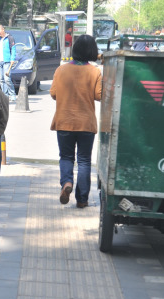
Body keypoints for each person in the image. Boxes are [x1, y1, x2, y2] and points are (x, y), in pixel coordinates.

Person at [49, 34, 102, 208]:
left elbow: (53, 93)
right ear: (92, 51)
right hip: (86, 123)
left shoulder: (61, 70)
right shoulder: (95, 72)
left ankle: (66, 183)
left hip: (64, 121)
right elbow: (99, 95)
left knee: (66, 157)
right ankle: (82, 199)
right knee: (84, 160)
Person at [0, 25, 17, 101]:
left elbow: (13, 49)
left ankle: (12, 94)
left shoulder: (9, 38)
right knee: (1, 79)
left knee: (7, 79)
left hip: (7, 62)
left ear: (3, 29)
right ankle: (5, 95)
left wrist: (12, 58)